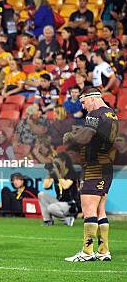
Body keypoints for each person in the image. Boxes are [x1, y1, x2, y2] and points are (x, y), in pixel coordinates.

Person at [63, 87, 117, 262]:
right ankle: (103, 251)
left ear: (92, 98)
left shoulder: (94, 115)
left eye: (83, 102)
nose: (84, 106)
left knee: (88, 210)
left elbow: (85, 138)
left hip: (93, 165)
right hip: (107, 166)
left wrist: (71, 137)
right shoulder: (112, 114)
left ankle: (87, 252)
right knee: (100, 209)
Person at [38, 152, 80, 226]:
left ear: (64, 162)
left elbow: (65, 186)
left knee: (51, 207)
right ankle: (48, 221)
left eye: (57, 163)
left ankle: (68, 219)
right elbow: (46, 186)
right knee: (41, 195)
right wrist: (49, 173)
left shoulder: (72, 173)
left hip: (70, 204)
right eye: (54, 162)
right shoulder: (55, 173)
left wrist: (57, 173)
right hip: (59, 203)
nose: (56, 164)